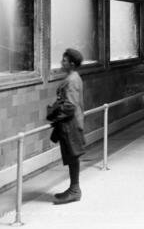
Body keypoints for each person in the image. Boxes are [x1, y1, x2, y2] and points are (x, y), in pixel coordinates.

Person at [47, 48, 85, 204]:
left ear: (71, 63)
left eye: (64, 60)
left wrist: (56, 117)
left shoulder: (71, 80)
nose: (62, 62)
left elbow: (69, 105)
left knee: (72, 155)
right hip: (72, 122)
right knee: (71, 156)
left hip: (71, 124)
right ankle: (73, 188)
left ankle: (75, 190)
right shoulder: (73, 77)